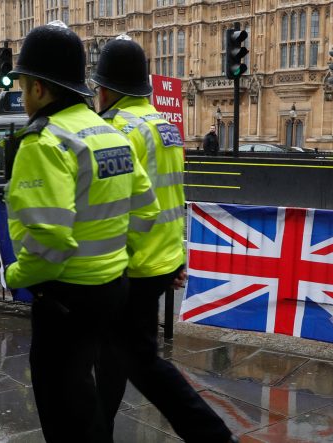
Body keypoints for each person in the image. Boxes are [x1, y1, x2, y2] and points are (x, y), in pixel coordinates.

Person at [3, 22, 159, 443]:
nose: (20, 94)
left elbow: (50, 237)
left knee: (62, 408)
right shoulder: (110, 132)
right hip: (113, 287)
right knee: (87, 398)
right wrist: (113, 257)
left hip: (66, 297)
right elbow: (147, 211)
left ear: (38, 88)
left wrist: (15, 276)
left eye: (22, 85)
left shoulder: (45, 142)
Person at [92, 37, 237, 443]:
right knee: (112, 357)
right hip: (161, 258)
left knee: (142, 363)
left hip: (132, 265)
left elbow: (114, 210)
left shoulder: (115, 130)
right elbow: (173, 195)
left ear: (106, 89)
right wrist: (176, 258)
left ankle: (214, 435)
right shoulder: (165, 127)